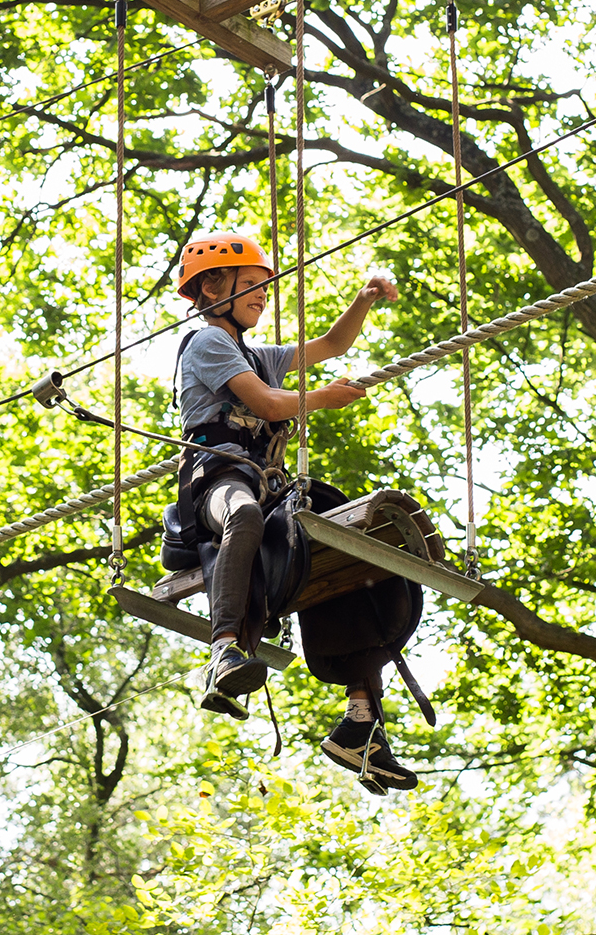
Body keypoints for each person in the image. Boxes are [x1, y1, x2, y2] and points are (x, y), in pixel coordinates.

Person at [171, 231, 417, 789]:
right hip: (219, 476)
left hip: (268, 485)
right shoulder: (207, 342)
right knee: (243, 515)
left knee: (347, 560)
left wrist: (365, 299)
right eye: (252, 285)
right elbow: (264, 403)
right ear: (213, 288)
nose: (263, 295)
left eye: (265, 286)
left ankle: (361, 724)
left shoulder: (260, 353)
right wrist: (320, 399)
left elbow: (331, 345)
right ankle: (226, 649)